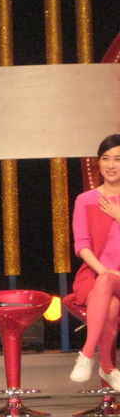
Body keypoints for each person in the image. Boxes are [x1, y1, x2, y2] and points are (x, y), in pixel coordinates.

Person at [69, 134, 120, 391]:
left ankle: (87, 353)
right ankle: (106, 366)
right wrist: (103, 271)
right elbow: (81, 245)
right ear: (98, 162)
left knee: (108, 282)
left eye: (118, 159)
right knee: (111, 304)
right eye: (106, 158)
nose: (111, 165)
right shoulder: (85, 200)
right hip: (95, 276)